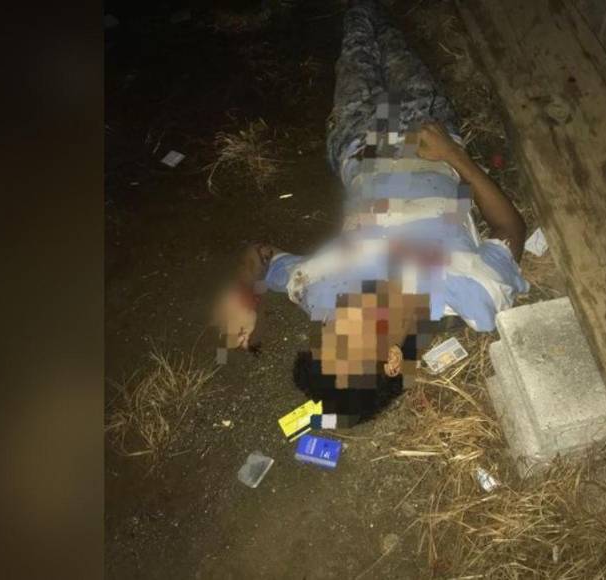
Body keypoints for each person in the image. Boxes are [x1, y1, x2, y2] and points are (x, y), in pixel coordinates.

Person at [212, 0, 528, 427]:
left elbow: (259, 255)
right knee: (395, 46)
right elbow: (511, 227)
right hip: (425, 128)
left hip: (356, 139)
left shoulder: (319, 293)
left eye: (326, 331)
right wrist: (455, 157)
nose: (337, 316)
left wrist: (244, 294)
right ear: (392, 360)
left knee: (356, 44)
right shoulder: (471, 295)